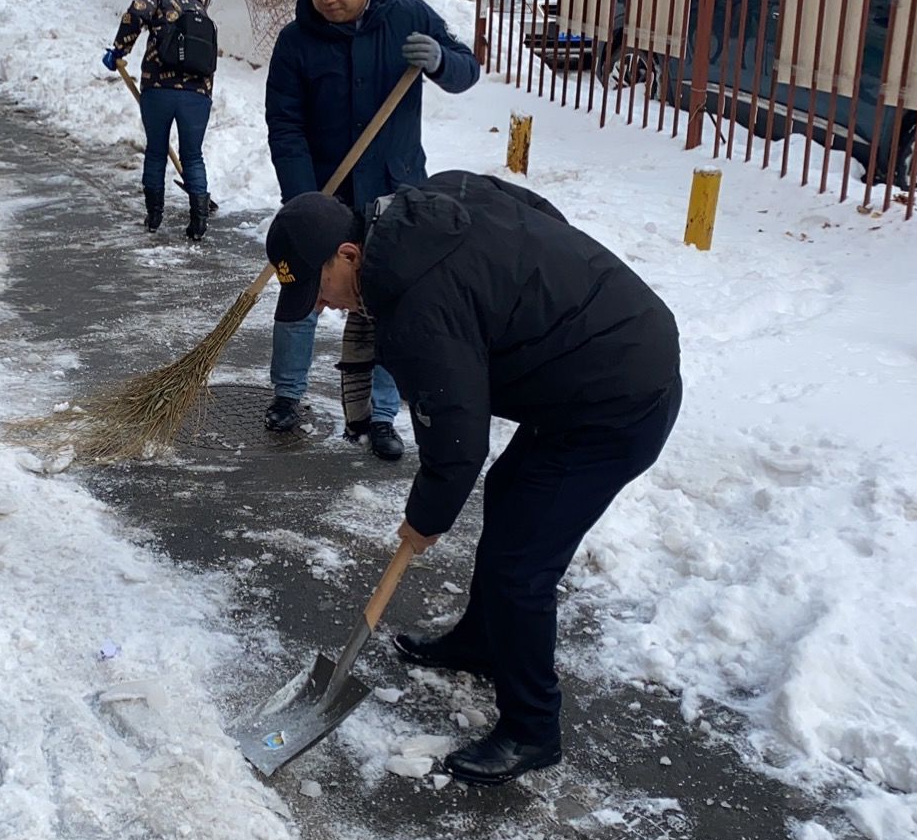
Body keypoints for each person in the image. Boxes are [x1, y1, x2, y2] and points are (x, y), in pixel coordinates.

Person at [263, 171, 682, 785]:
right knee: (510, 496)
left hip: (617, 400)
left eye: (321, 291)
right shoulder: (426, 204)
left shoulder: (414, 307)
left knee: (523, 566)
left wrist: (424, 520)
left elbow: (457, 442)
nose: (323, 308)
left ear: (349, 254)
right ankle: (485, 641)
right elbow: (532, 208)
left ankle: (533, 728)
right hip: (596, 365)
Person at [264, 0, 479, 461]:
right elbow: (284, 124)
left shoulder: (410, 18)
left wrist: (442, 62)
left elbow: (467, 70)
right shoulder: (296, 42)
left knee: (387, 306)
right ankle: (287, 395)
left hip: (396, 193)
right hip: (322, 195)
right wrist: (303, 202)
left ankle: (380, 415)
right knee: (302, 296)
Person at [102, 0, 217, 240]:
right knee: (193, 156)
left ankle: (154, 217)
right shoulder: (206, 20)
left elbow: (136, 11)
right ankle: (198, 223)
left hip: (158, 90)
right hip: (197, 98)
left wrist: (120, 48)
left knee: (155, 151)